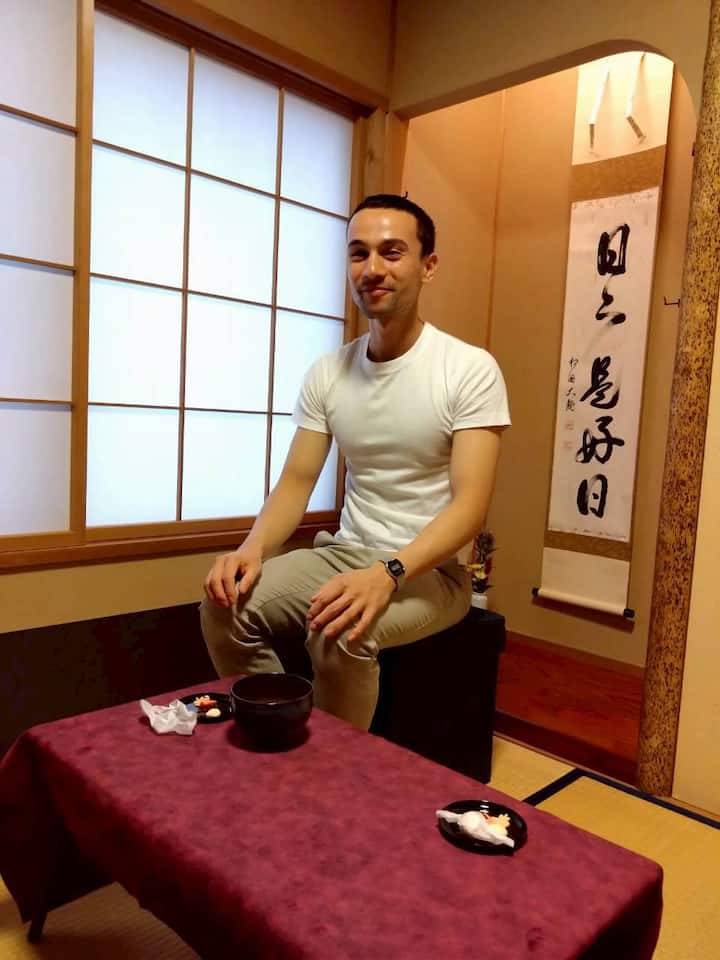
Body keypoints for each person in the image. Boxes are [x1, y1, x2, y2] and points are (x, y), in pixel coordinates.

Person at [200, 193, 511, 730]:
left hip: (430, 573)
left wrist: (390, 573)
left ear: (428, 266)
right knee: (225, 605)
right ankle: (283, 732)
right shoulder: (330, 371)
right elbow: (295, 483)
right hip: (344, 553)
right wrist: (251, 548)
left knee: (339, 630)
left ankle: (330, 770)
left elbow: (470, 507)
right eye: (359, 253)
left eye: (392, 252)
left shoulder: (468, 369)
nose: (372, 268)